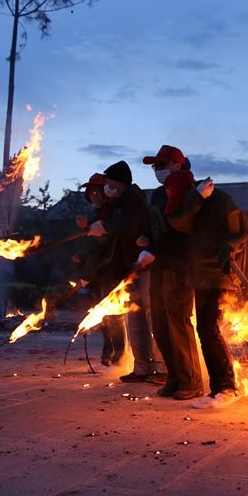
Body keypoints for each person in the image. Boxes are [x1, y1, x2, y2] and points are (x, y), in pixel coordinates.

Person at [166, 171, 248, 409]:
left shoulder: (221, 200)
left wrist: (229, 246)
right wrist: (195, 200)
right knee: (206, 328)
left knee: (208, 327)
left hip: (221, 273)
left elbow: (241, 232)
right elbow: (179, 222)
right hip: (200, 276)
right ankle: (223, 386)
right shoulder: (189, 204)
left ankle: (226, 388)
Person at [81, 161, 167, 384]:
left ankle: (161, 368)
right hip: (128, 268)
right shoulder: (115, 202)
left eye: (109, 182)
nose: (106, 186)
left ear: (118, 182)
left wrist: (105, 228)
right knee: (134, 317)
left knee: (149, 315)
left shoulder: (132, 198)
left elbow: (128, 227)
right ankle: (141, 367)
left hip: (143, 265)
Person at [139, 145, 204, 400]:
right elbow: (155, 225)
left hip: (179, 265)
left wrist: (156, 247)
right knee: (160, 322)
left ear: (178, 165)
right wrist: (146, 238)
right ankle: (174, 377)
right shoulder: (157, 195)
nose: (158, 171)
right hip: (158, 265)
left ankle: (192, 381)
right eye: (155, 167)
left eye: (162, 165)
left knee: (178, 320)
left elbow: (183, 228)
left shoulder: (191, 192)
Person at [73, 172, 121, 366]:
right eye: (91, 191)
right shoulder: (95, 214)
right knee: (102, 316)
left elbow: (107, 246)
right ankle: (108, 351)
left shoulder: (113, 212)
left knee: (113, 314)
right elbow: (94, 247)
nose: (94, 195)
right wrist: (83, 258)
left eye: (97, 190)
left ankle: (119, 353)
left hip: (110, 271)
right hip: (98, 275)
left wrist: (89, 271)